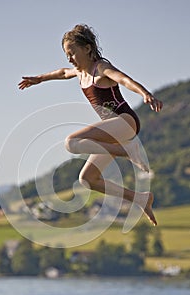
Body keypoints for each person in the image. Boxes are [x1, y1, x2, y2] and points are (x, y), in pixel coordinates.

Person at [18, 24, 163, 226]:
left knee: (72, 142)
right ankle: (140, 198)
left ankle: (127, 151)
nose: (69, 58)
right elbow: (62, 73)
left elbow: (124, 79)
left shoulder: (100, 68)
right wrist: (40, 79)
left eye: (72, 52)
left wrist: (145, 93)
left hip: (124, 122)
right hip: (113, 132)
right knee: (87, 179)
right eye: (66, 54)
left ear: (87, 48)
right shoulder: (80, 73)